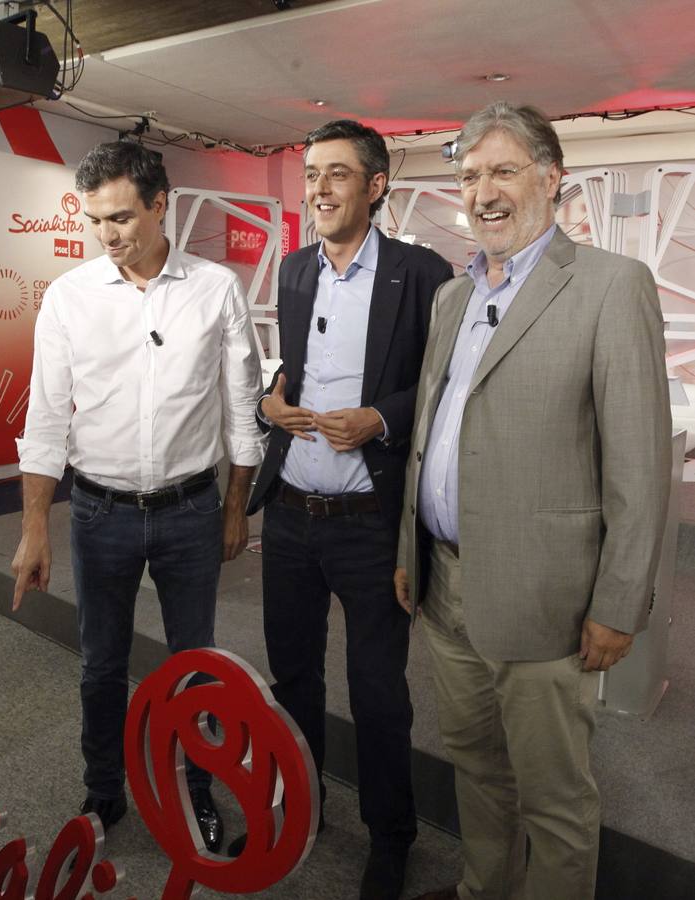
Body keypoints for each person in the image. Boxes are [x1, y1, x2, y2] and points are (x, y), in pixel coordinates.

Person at [396, 102, 671, 900]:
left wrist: (619, 603)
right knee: (477, 769)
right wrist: (408, 554)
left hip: (545, 600)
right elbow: (429, 438)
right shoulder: (452, 297)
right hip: (446, 589)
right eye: (470, 173)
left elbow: (637, 463)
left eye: (503, 171)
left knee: (553, 798)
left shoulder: (609, 287)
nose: (482, 191)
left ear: (551, 182)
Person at [11, 141, 265, 852]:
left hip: (189, 510)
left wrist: (236, 505)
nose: (108, 234)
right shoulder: (68, 298)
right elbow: (45, 418)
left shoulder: (214, 289)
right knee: (100, 665)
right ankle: (103, 794)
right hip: (99, 514)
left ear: (161, 204)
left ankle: (197, 793)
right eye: (96, 220)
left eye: (121, 216)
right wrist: (35, 527)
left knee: (196, 665)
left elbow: (241, 407)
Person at [242, 119, 453, 899]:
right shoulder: (295, 272)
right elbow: (291, 372)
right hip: (292, 515)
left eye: (336, 174)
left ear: (375, 186)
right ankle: (299, 807)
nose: (318, 189)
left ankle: (390, 836)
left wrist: (380, 418)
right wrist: (272, 402)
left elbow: (439, 386)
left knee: (377, 692)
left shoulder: (423, 272)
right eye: (309, 174)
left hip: (370, 519)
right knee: (291, 676)